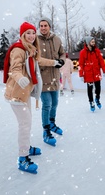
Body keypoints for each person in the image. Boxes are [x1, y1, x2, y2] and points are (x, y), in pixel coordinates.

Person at [3, 21, 61, 174]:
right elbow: (14, 68)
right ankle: (23, 158)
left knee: (27, 123)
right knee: (25, 125)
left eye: (33, 33)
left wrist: (54, 62)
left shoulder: (31, 50)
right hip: (17, 93)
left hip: (25, 92)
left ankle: (27, 148)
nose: (31, 35)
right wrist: (19, 77)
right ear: (22, 35)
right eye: (27, 33)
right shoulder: (19, 50)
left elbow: (39, 61)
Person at [38, 17, 66, 146]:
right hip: (42, 78)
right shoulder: (36, 40)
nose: (43, 28)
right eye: (41, 26)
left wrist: (62, 60)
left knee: (55, 103)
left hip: (55, 77)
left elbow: (62, 53)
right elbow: (36, 59)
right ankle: (46, 130)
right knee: (47, 104)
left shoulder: (57, 39)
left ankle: (52, 123)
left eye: (45, 25)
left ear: (49, 26)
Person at [79, 36, 105, 112]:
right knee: (90, 89)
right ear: (88, 43)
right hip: (88, 74)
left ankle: (97, 98)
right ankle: (91, 102)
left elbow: (101, 61)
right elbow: (81, 64)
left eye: (94, 42)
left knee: (98, 88)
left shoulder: (97, 51)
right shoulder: (82, 52)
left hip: (96, 73)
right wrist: (81, 74)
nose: (94, 43)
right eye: (92, 42)